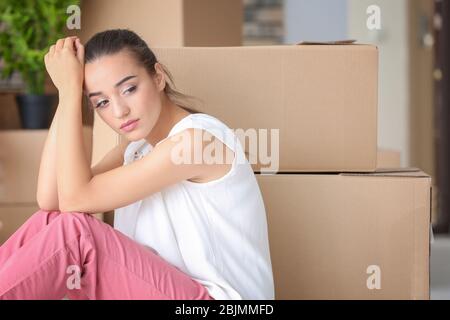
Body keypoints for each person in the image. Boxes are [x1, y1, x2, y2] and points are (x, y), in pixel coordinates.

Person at [0, 29, 274, 300]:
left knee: (75, 232)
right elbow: (53, 200)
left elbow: (75, 198)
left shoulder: (197, 142)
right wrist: (66, 92)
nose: (119, 111)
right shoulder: (137, 149)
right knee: (50, 221)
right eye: (102, 102)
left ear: (158, 77)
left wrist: (73, 91)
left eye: (129, 89)